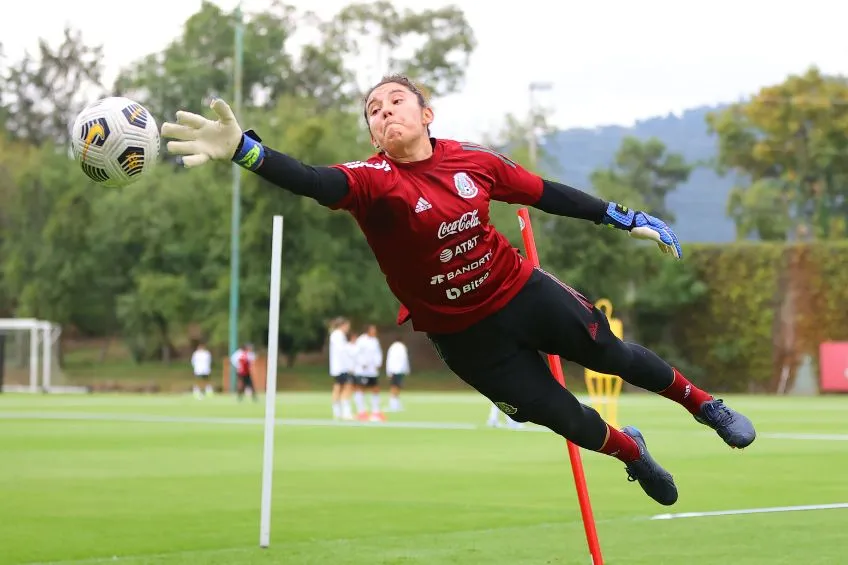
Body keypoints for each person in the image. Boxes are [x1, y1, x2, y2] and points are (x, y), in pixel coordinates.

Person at [161, 74, 756, 506]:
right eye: (373, 111)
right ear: (372, 134)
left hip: (520, 291)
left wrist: (624, 218)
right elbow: (311, 179)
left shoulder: (474, 161)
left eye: (395, 102)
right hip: (465, 337)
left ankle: (706, 406)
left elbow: (547, 193)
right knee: (563, 417)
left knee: (612, 355)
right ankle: (632, 453)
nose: (384, 113)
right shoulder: (372, 181)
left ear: (427, 114)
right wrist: (245, 150)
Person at [354, 324, 384, 421]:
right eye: (372, 330)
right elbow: (356, 353)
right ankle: (361, 412)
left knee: (375, 389)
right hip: (362, 370)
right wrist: (362, 362)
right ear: (368, 330)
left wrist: (378, 363)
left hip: (372, 370)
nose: (374, 331)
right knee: (360, 389)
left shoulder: (375, 341)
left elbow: (378, 353)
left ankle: (375, 412)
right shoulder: (361, 340)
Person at [328, 317, 354, 420]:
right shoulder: (337, 335)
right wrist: (349, 365)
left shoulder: (338, 335)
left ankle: (338, 412)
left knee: (339, 387)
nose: (348, 328)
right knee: (345, 387)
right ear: (342, 325)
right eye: (347, 325)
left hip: (340, 367)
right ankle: (344, 412)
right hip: (341, 367)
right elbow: (342, 352)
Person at [385, 336, 410, 412]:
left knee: (394, 386)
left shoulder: (392, 347)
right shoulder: (402, 347)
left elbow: (388, 360)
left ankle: (395, 404)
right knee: (396, 387)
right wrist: (407, 370)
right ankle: (394, 404)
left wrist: (388, 371)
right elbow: (405, 359)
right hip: (399, 370)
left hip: (393, 370)